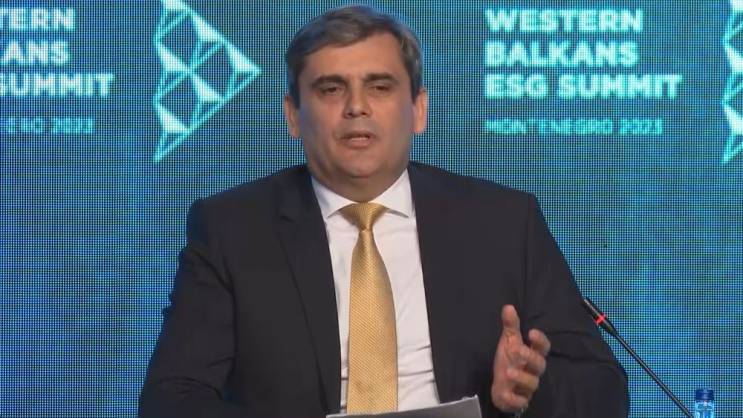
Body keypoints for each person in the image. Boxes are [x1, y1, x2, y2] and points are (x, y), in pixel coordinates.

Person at [139, 5, 628, 418]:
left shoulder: (503, 222)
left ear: (419, 110)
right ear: (293, 115)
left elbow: (605, 391)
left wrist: (530, 391)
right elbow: (170, 400)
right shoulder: (232, 229)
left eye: (379, 87)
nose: (356, 107)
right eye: (331, 89)